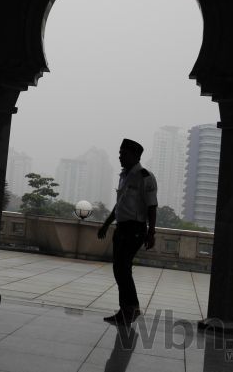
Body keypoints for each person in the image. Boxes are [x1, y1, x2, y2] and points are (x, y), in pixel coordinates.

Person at [97, 138, 157, 325]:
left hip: (135, 229)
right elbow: (120, 204)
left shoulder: (145, 176)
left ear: (135, 155)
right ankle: (126, 310)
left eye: (124, 153)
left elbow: (152, 206)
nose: (120, 157)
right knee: (119, 269)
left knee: (122, 268)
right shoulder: (124, 176)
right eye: (120, 153)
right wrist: (107, 224)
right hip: (122, 228)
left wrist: (151, 232)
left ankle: (131, 309)